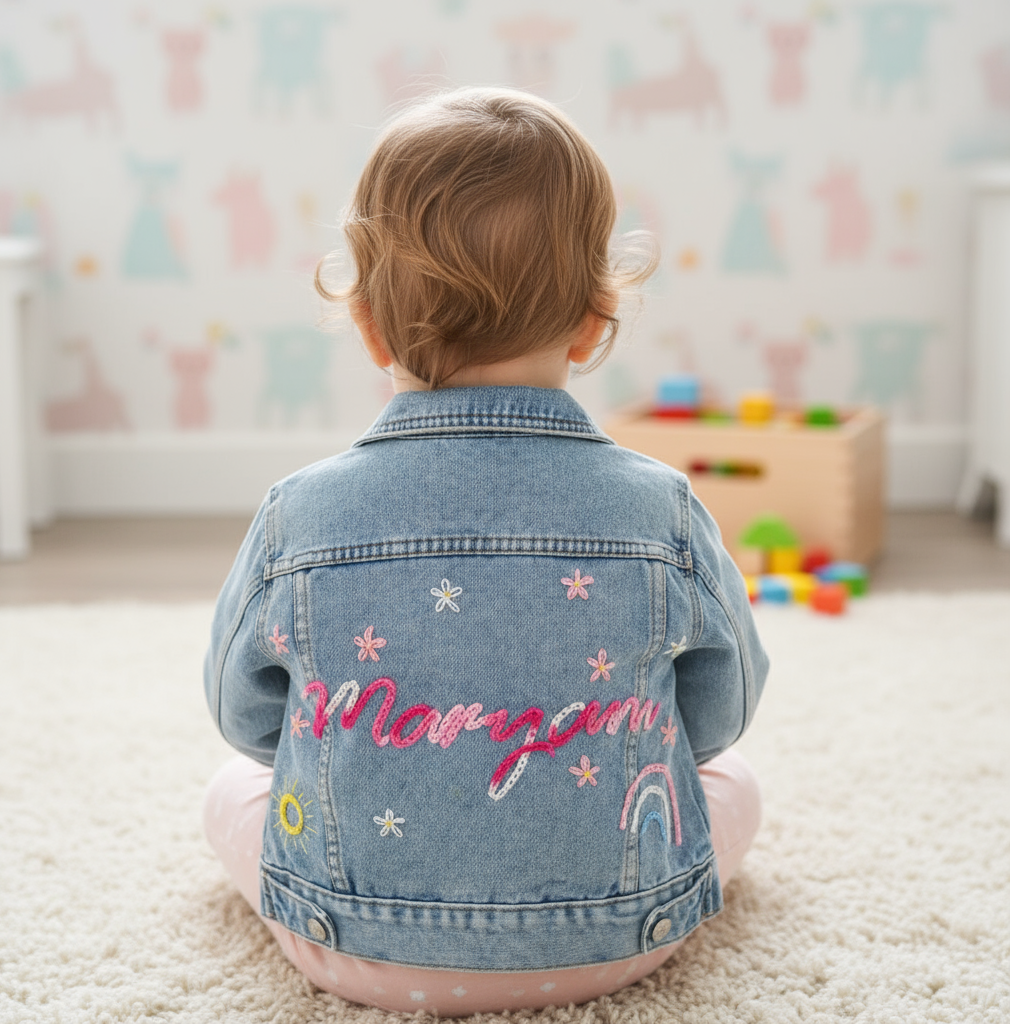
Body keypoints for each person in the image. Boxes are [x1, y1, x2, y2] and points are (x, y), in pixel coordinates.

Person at [202, 86, 769, 1017]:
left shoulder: (295, 515)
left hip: (347, 945)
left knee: (231, 792)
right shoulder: (662, 508)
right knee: (731, 787)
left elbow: (248, 721)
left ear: (369, 324)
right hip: (617, 941)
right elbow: (717, 713)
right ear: (594, 321)